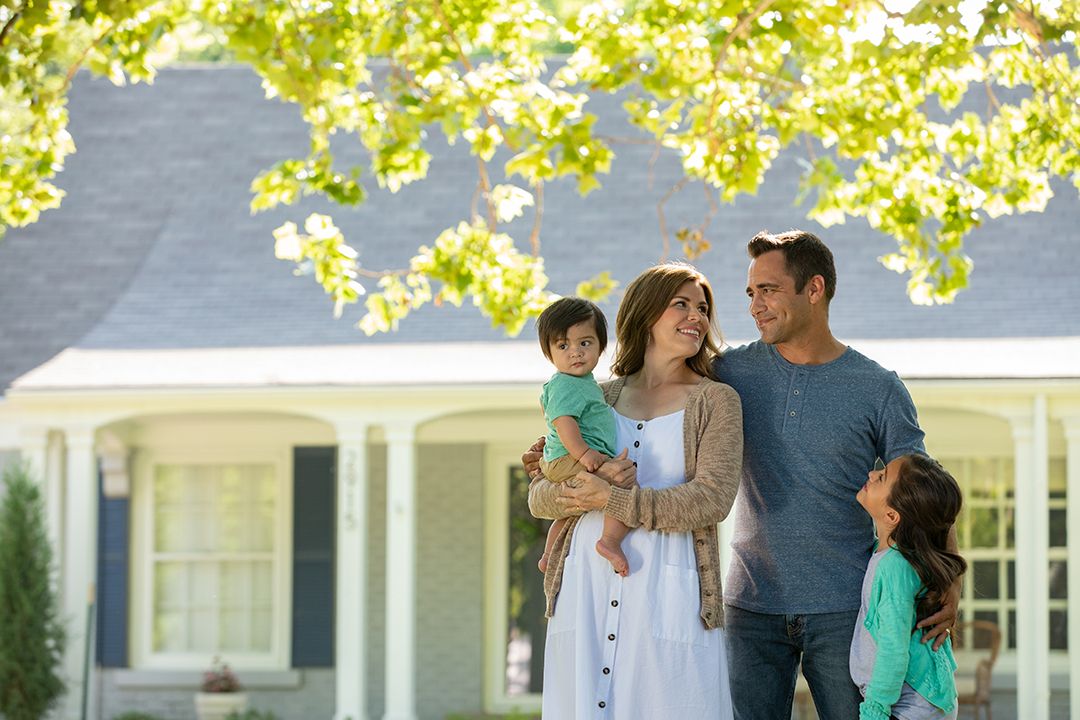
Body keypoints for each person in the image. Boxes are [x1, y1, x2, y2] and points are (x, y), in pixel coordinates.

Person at [716, 229, 958, 720]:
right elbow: (652, 393)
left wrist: (947, 577)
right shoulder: (729, 372)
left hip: (847, 609)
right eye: (750, 293)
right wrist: (563, 441)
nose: (754, 305)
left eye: (768, 289)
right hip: (751, 602)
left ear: (814, 288)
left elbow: (924, 492)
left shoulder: (877, 388)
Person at [526, 262, 743, 718]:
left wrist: (611, 499)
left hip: (670, 593)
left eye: (702, 308)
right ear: (645, 314)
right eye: (680, 305)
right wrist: (578, 492)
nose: (696, 317)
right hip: (584, 588)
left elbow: (712, 499)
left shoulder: (716, 400)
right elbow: (540, 493)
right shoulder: (593, 394)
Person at [851, 453, 965, 720]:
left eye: (881, 478)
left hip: (909, 710)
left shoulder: (894, 568)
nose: (871, 475)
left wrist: (874, 712)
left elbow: (894, 650)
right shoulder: (896, 558)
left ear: (892, 515)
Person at [534, 297, 628, 576]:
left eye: (584, 343)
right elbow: (563, 422)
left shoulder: (579, 384)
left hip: (566, 455)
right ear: (549, 352)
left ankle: (549, 555)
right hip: (571, 455)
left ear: (601, 345)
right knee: (621, 484)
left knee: (572, 510)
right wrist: (585, 455)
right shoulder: (568, 384)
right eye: (563, 346)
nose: (575, 352)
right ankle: (610, 541)